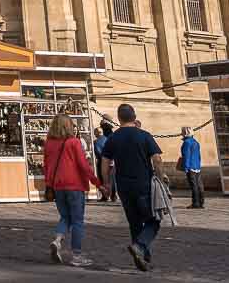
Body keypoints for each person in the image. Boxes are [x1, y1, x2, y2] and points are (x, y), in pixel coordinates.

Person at [100, 103, 164, 272]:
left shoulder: (113, 138)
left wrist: (106, 183)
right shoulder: (144, 135)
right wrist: (160, 177)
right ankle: (141, 246)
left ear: (119, 118)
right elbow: (157, 159)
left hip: (124, 187)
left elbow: (105, 162)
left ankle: (143, 256)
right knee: (153, 220)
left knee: (134, 223)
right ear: (134, 116)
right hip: (144, 184)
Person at [44, 113, 101, 267]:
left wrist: (49, 184)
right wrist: (97, 183)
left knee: (65, 217)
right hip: (74, 185)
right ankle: (77, 255)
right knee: (77, 221)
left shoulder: (49, 143)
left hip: (57, 186)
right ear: (68, 126)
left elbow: (47, 166)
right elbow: (83, 166)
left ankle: (57, 241)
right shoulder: (74, 142)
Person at [178, 127, 204, 209]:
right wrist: (199, 165)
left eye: (182, 132)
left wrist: (186, 167)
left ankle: (195, 203)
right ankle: (201, 202)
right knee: (199, 185)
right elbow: (199, 156)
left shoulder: (187, 142)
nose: (181, 133)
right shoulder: (196, 142)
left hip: (190, 166)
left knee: (194, 186)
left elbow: (186, 156)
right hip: (197, 166)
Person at [93, 122, 115, 201]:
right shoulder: (108, 139)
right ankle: (113, 196)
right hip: (111, 161)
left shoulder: (96, 141)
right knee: (112, 179)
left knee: (102, 179)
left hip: (102, 161)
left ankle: (105, 196)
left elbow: (98, 152)